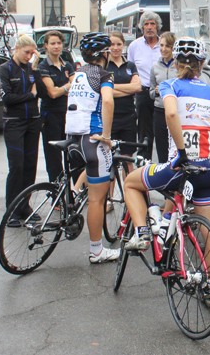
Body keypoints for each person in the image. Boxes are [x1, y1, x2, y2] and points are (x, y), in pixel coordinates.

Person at [122, 38, 210, 277]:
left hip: (181, 165)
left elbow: (172, 113)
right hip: (209, 167)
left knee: (130, 183)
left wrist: (183, 151)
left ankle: (143, 232)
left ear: (175, 62)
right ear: (202, 64)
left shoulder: (170, 85)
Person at [65, 32, 118, 263]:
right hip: (93, 138)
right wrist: (106, 135)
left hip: (72, 137)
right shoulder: (103, 74)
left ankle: (73, 194)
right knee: (97, 199)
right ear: (103, 54)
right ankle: (96, 250)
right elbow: (107, 101)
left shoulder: (77, 74)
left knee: (87, 173)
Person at [0, 35, 41, 225]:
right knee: (17, 166)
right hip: (14, 122)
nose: (29, 56)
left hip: (32, 121)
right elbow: (7, 97)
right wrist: (28, 96)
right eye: (27, 52)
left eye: (32, 53)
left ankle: (25, 206)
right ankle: (12, 210)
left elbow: (38, 90)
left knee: (30, 165)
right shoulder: (5, 68)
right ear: (17, 49)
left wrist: (36, 64)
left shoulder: (30, 68)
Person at [37, 30, 75, 182]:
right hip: (50, 116)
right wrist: (67, 87)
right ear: (46, 46)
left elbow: (77, 86)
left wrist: (63, 89)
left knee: (72, 153)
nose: (56, 46)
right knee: (53, 157)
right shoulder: (43, 67)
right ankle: (57, 197)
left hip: (68, 114)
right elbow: (52, 93)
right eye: (52, 43)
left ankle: (73, 194)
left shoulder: (68, 65)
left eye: (59, 43)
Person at [127, 11, 162, 160]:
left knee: (161, 130)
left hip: (161, 93)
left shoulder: (165, 44)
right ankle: (143, 163)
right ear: (142, 27)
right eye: (146, 24)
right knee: (144, 132)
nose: (149, 27)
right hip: (142, 92)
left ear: (158, 27)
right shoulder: (134, 46)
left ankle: (165, 163)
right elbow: (130, 70)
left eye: (152, 24)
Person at [107, 31, 141, 158]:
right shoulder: (104, 66)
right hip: (111, 118)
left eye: (119, 44)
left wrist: (112, 87)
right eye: (112, 44)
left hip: (129, 117)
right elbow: (104, 92)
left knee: (128, 157)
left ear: (123, 45)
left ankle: (128, 179)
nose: (115, 48)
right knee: (110, 158)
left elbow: (137, 87)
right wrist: (128, 89)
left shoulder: (130, 65)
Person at [149, 31, 177, 163]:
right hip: (159, 110)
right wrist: (155, 91)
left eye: (167, 46)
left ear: (173, 48)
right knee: (161, 146)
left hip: (175, 109)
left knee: (175, 144)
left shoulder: (178, 65)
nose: (163, 49)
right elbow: (150, 92)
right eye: (161, 45)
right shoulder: (155, 67)